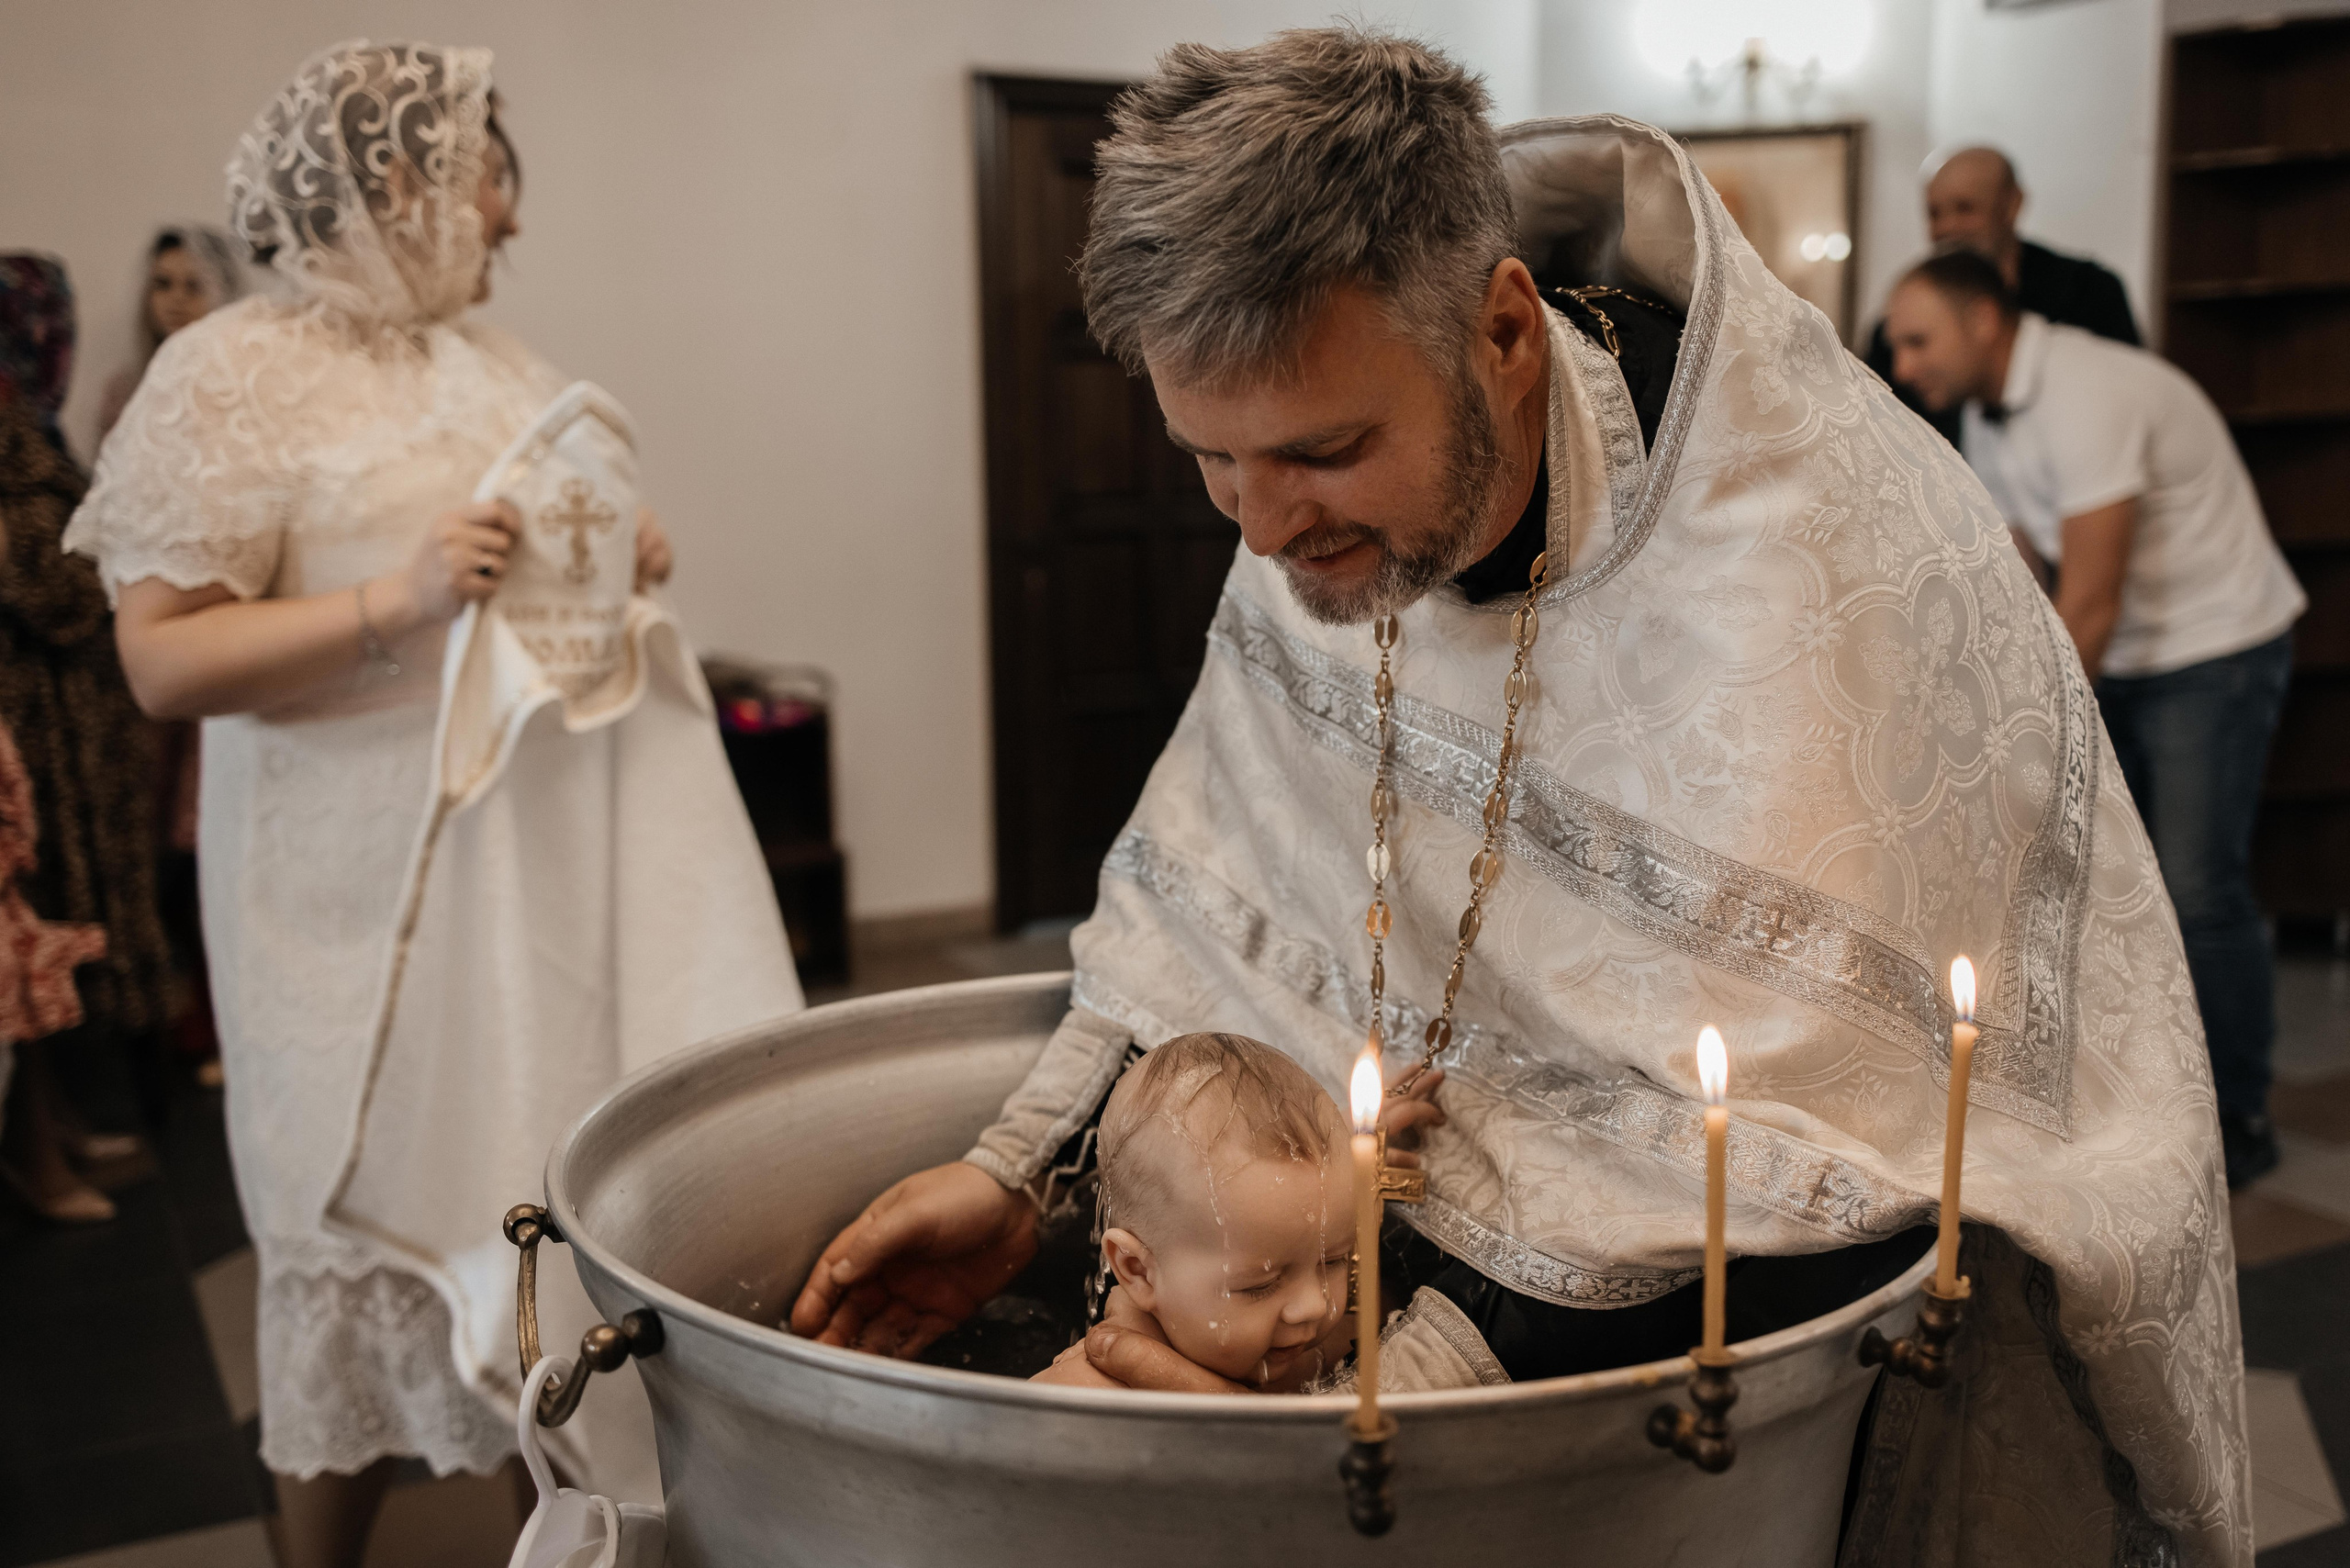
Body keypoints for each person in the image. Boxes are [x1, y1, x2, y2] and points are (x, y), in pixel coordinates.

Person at [792, 29, 2250, 1566]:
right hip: (1356, 1259)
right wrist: (1024, 1168)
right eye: (1212, 462)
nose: (1269, 530)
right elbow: (1223, 901)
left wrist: (1405, 1381)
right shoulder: (1309, 512)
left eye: (1325, 450)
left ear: (1501, 329)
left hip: (1674, 1407)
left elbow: (1809, 1147)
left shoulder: (1821, 567)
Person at [64, 41, 801, 1567]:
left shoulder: (501, 369)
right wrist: (392, 603)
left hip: (517, 881)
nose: (506, 226)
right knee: (341, 1246)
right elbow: (159, 659)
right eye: (487, 185)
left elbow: (539, 588)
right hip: (334, 897)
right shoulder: (226, 373)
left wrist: (617, 558)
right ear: (392, 184)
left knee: (523, 1223)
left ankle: (566, 1529)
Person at [1882, 247, 2304, 1190]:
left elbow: (2095, 597)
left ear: (1983, 320)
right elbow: (2029, 576)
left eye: (1916, 341)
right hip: (2135, 648)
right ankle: (2155, 1100)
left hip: (2212, 647)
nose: (1902, 367)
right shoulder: (1986, 418)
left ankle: (2239, 1115)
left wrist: (2030, 739)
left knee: (2198, 889)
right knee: (2123, 885)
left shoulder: (2085, 392)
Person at [0, 254, 172, 1224]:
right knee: (32, 942)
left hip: (66, 712)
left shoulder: (31, 432)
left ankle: (54, 1125)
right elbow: (53, 584)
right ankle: (36, 1148)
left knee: (46, 941)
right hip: (30, 718)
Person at [1031, 1032, 1482, 1393]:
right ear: (1137, 1271)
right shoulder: (1092, 1394)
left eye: (1334, 1260)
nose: (1316, 1305)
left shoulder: (1282, 1299)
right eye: (1260, 1285)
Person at [1864, 148, 2139, 444]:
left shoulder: (2087, 290)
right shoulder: (1908, 313)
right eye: (1934, 214)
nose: (1947, 228)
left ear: (2012, 205)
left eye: (1965, 208)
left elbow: (2124, 401)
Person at [95, 226, 246, 443]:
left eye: (194, 286)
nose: (177, 299)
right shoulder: (126, 389)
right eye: (163, 284)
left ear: (223, 293)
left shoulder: (240, 384)